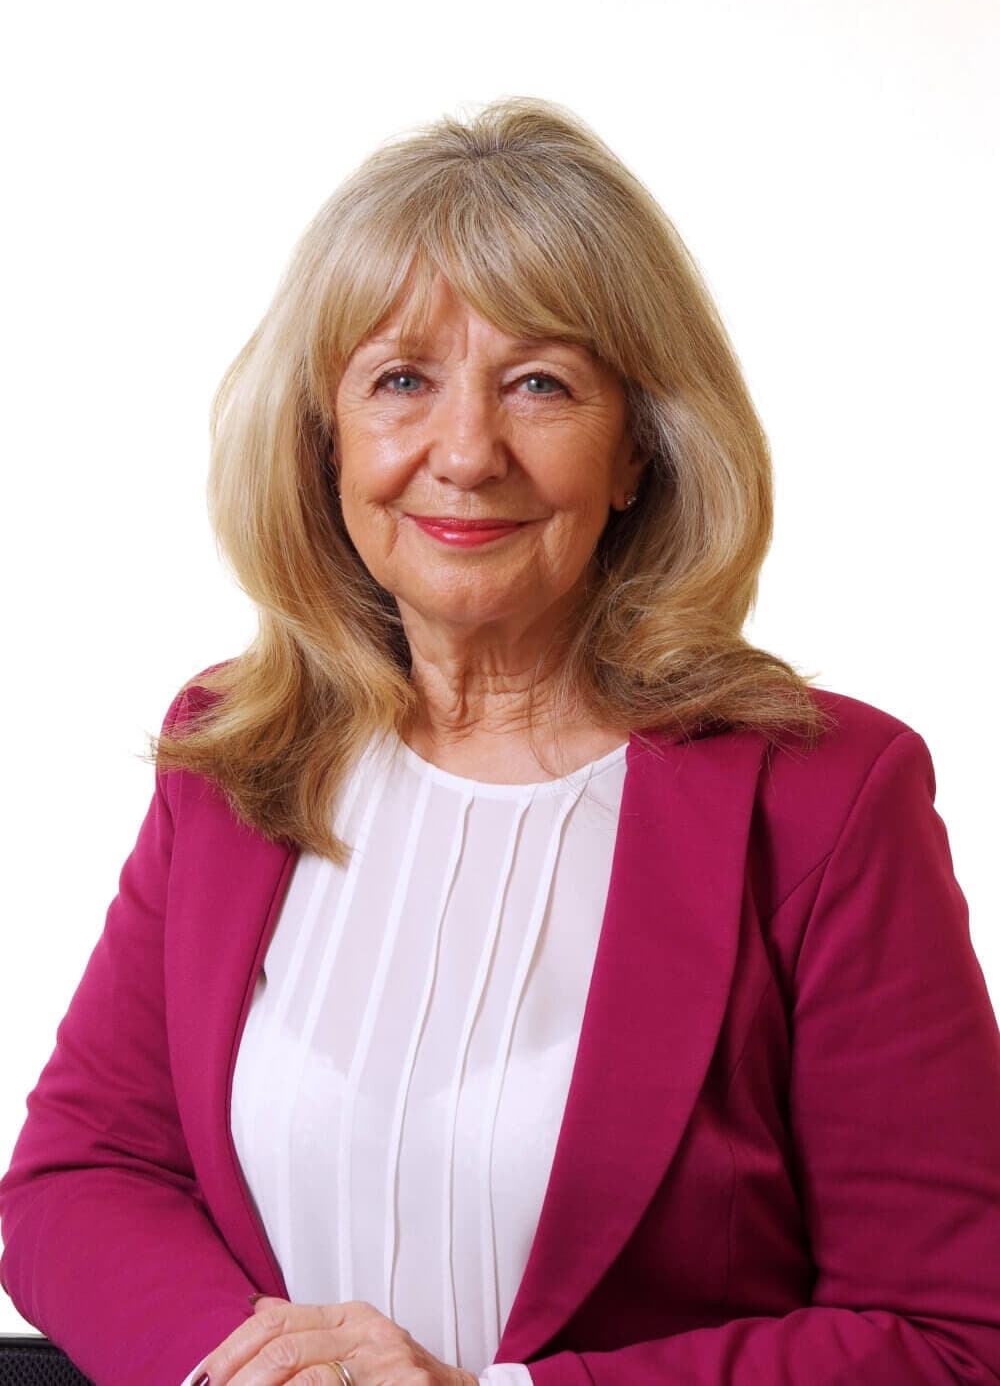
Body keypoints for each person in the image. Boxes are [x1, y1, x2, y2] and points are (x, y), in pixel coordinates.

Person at [1, 96, 998, 1386]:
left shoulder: (824, 799)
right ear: (325, 440)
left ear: (640, 444)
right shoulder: (240, 749)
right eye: (401, 380)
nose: (465, 455)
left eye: (540, 384)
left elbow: (950, 1337)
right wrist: (246, 1369)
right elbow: (84, 1173)